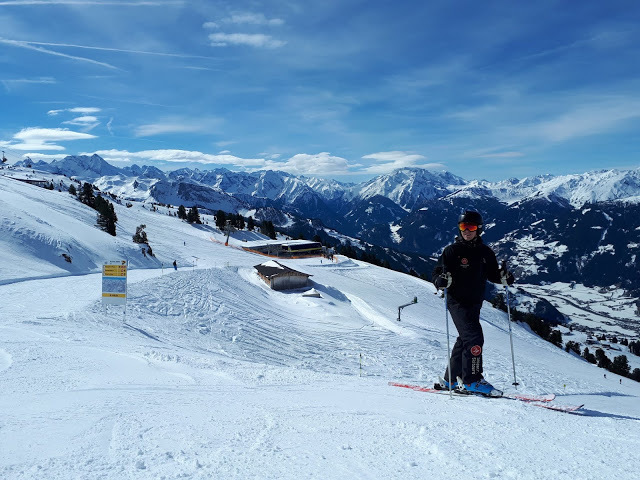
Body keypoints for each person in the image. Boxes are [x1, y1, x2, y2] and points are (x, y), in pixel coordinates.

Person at [432, 210, 515, 396]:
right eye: (463, 227)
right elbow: (437, 272)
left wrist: (504, 278)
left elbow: (494, 274)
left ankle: (451, 379)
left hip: (475, 302)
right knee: (474, 338)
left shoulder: (485, 252)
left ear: (479, 229)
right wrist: (440, 281)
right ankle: (472, 380)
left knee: (464, 339)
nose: (466, 231)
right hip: (457, 302)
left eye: (471, 227)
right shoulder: (452, 251)